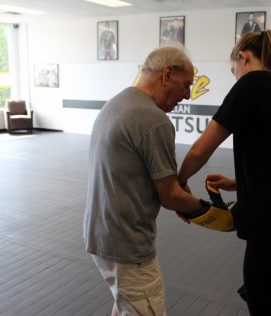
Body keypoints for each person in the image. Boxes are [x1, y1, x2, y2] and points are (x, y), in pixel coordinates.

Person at [177, 30, 271, 315]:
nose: (236, 76)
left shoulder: (252, 84)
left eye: (234, 69)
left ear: (244, 57)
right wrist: (240, 183)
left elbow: (201, 149)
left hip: (270, 232)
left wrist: (179, 182)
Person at [83, 46, 208, 316]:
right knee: (143, 306)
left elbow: (160, 181)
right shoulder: (153, 120)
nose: (187, 94)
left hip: (100, 235)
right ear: (167, 75)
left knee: (125, 303)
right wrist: (208, 211)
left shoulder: (116, 103)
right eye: (186, 85)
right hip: (128, 246)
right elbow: (170, 196)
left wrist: (178, 195)